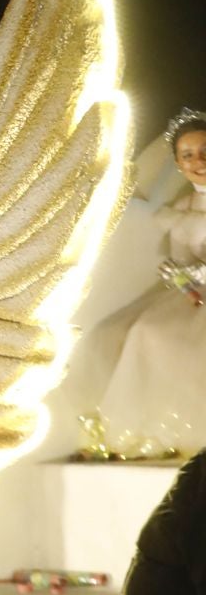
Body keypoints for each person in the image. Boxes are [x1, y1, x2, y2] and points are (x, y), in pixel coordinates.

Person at [89, 109, 206, 455]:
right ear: (178, 163)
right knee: (129, 332)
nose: (197, 161)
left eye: (204, 151)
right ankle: (145, 434)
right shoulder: (182, 207)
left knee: (155, 334)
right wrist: (183, 279)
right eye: (187, 155)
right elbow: (182, 262)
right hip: (195, 295)